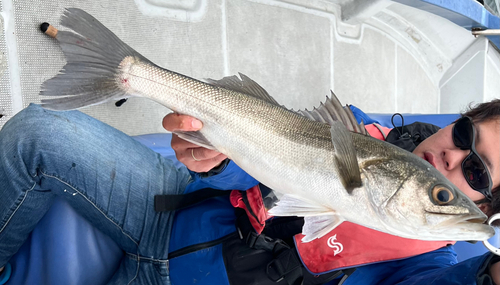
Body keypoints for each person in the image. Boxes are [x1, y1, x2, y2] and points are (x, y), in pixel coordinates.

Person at [0, 99, 499, 285]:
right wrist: (214, 159)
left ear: (483, 207)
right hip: (171, 209)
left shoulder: (430, 263)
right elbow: (266, 155)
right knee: (41, 132)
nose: (454, 156)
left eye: (477, 173)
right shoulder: (359, 134)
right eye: (463, 134)